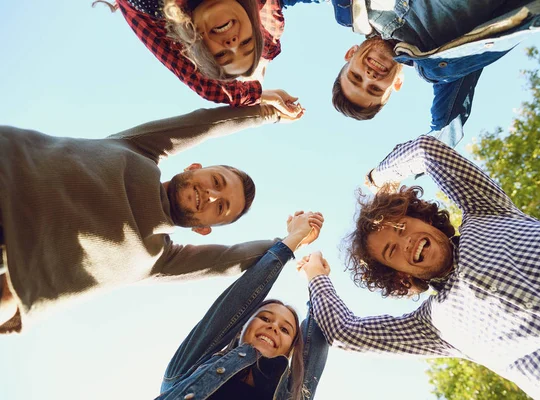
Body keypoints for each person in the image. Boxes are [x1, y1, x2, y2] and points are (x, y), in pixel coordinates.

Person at [300, 135, 540, 399]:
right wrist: (317, 277)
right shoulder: (434, 326)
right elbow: (344, 333)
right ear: (399, 275)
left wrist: (379, 177)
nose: (406, 242)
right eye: (392, 250)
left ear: (425, 219)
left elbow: (427, 150)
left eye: (402, 227)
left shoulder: (485, 212)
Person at [0, 104, 308, 334]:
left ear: (203, 229)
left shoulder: (160, 259)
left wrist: (290, 241)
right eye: (216, 181)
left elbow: (231, 259)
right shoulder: (139, 150)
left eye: (221, 208)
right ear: (194, 166)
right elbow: (202, 124)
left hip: (12, 276)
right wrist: (266, 111)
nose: (212, 196)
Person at [330, 0, 540, 144]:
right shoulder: (439, 63)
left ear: (350, 54)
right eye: (374, 89)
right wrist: (387, 174)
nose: (369, 77)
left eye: (356, 77)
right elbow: (444, 132)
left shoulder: (353, 10)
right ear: (397, 84)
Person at [156, 211, 328, 400]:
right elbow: (237, 302)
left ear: (289, 350)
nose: (273, 327)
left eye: (286, 330)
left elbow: (321, 328)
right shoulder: (189, 370)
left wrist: (316, 276)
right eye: (264, 318)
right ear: (240, 328)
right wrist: (293, 239)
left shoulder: (294, 394)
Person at [95, 0, 320, 114]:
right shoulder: (256, 12)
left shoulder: (155, 6)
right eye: (245, 43)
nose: (232, 44)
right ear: (253, 24)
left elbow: (208, 88)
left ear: (198, 41)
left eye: (222, 54)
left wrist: (263, 94)